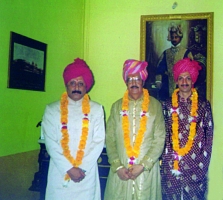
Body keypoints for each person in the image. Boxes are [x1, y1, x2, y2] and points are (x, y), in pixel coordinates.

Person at [41, 58, 105, 200]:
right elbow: (51, 143)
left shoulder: (96, 109)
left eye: (81, 83)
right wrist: (69, 168)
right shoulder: (52, 110)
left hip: (86, 174)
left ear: (86, 86)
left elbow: (99, 140)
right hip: (60, 172)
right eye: (72, 83)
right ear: (66, 85)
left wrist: (82, 168)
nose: (76, 87)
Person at [104, 59, 166, 200]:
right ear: (126, 82)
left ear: (143, 81)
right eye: (130, 79)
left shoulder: (155, 106)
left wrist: (143, 165)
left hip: (146, 172)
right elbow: (110, 138)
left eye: (137, 79)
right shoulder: (116, 107)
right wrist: (118, 166)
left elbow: (160, 139)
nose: (134, 83)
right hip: (121, 172)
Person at [161, 58, 214, 199]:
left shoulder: (203, 105)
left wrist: (203, 164)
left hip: (196, 166)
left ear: (193, 80)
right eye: (181, 78)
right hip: (172, 165)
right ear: (177, 81)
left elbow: (209, 137)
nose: (184, 82)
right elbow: (163, 134)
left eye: (188, 78)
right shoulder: (166, 105)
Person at [156, 23, 193, 101]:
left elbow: (192, 71)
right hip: (167, 84)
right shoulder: (166, 52)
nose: (174, 39)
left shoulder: (186, 52)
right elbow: (160, 68)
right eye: (172, 37)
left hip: (182, 83)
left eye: (176, 37)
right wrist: (159, 80)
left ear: (180, 38)